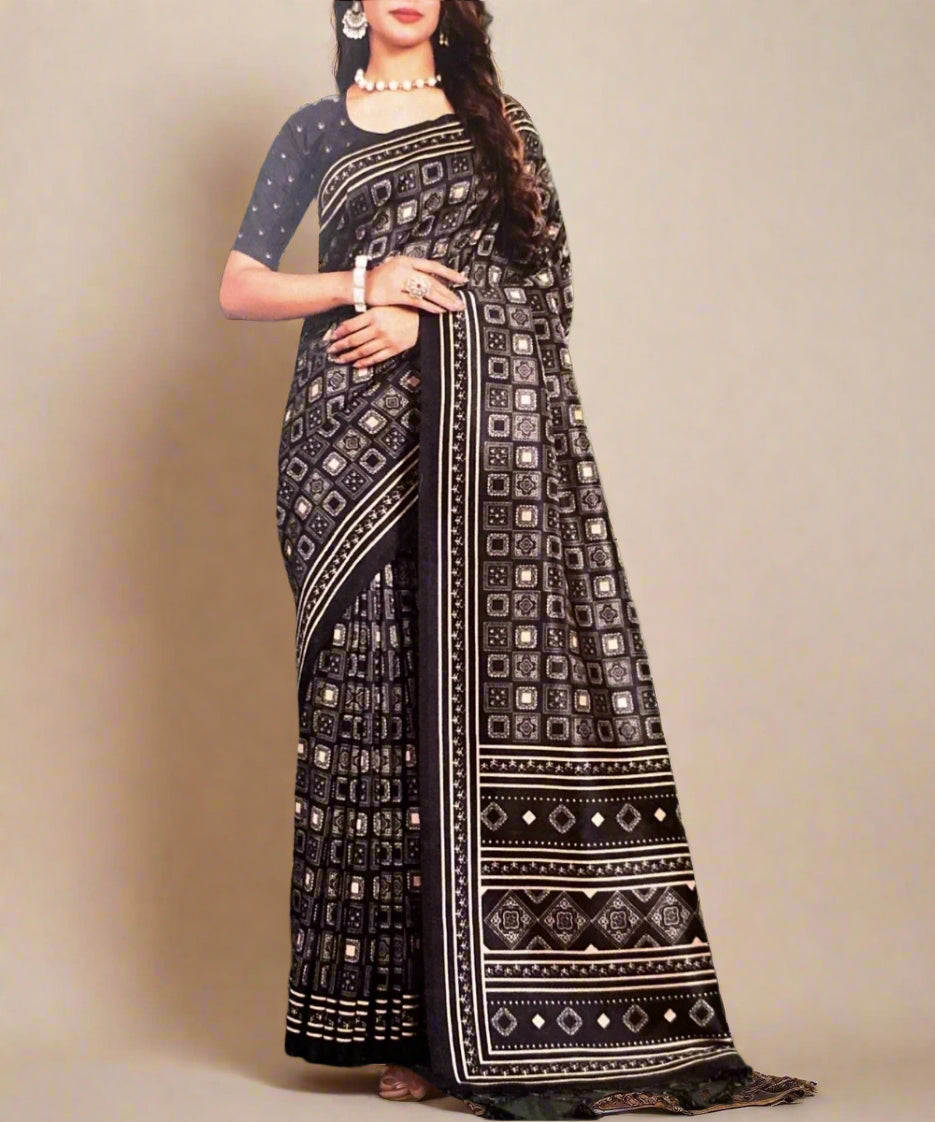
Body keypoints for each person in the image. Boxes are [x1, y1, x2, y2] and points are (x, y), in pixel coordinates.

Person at [218, 2, 818, 1117]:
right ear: (351, 3)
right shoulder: (314, 128)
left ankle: (474, 1035)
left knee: (459, 712)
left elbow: (548, 298)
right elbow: (241, 284)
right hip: (339, 458)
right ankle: (398, 1029)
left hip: (473, 460)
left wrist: (432, 323)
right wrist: (364, 285)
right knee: (371, 719)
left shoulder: (501, 124)